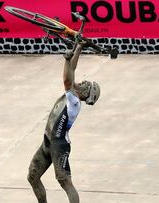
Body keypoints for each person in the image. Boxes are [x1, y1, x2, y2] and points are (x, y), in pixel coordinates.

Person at [27, 41, 100, 203]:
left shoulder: (74, 101)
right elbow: (72, 71)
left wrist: (67, 59)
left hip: (59, 145)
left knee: (65, 182)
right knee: (33, 176)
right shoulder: (74, 95)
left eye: (86, 85)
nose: (82, 82)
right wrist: (79, 48)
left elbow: (67, 79)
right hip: (48, 142)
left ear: (86, 93)